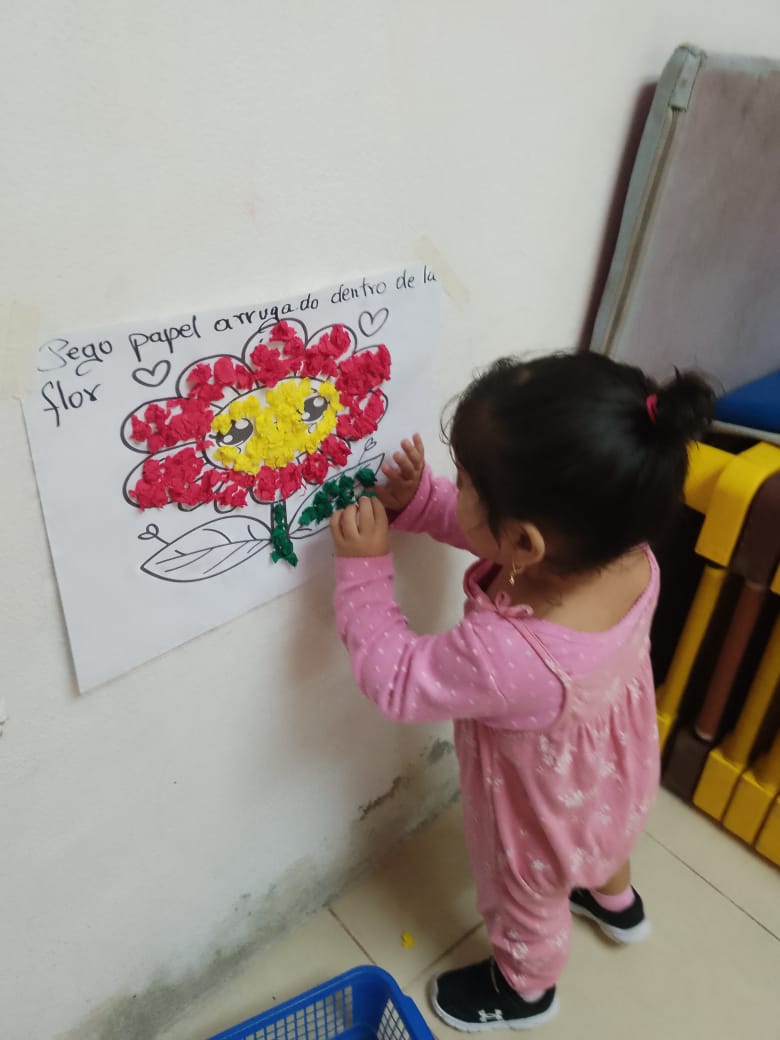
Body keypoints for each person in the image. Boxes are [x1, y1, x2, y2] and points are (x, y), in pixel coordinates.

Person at [329, 352, 714, 1030]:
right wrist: (422, 502)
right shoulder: (625, 555)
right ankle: (616, 903)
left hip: (537, 810)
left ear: (527, 541)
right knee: (602, 837)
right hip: (613, 772)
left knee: (526, 900)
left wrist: (364, 571)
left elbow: (397, 679)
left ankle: (526, 989)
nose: (456, 488)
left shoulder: (507, 654)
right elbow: (501, 539)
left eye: (464, 483)